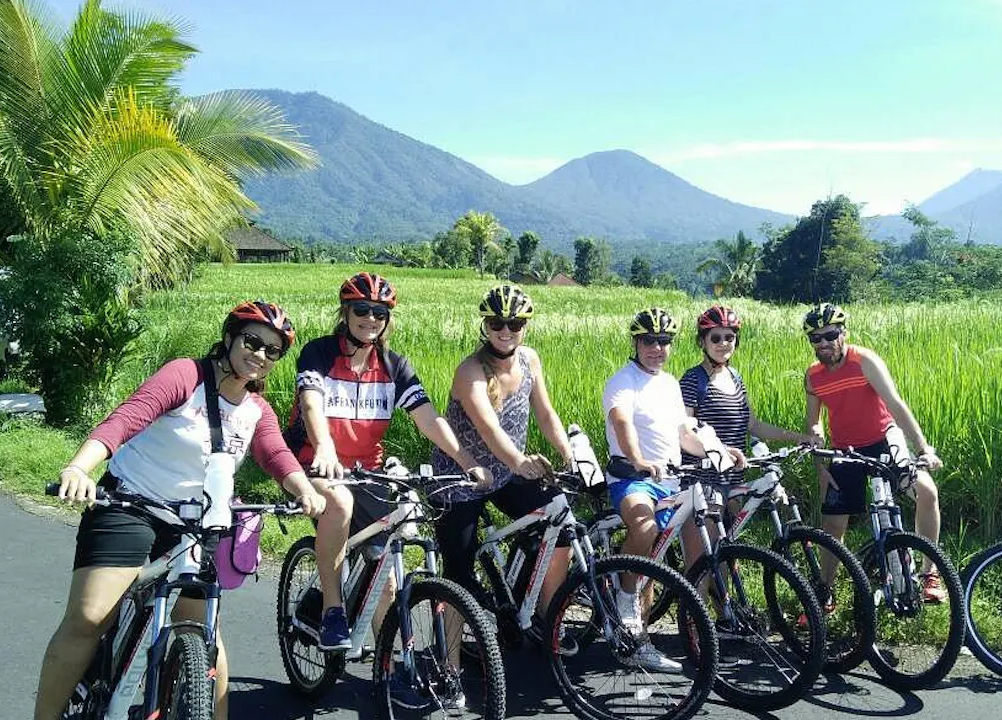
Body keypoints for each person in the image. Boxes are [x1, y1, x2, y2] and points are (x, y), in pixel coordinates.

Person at [35, 301, 328, 720]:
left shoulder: (255, 410)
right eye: (252, 341)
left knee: (206, 634)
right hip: (132, 503)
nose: (260, 355)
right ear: (229, 338)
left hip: (195, 524)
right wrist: (80, 467)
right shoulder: (185, 375)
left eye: (272, 350)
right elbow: (126, 419)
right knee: (89, 616)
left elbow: (276, 453)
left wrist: (303, 489)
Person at [284, 272, 489, 651]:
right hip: (317, 462)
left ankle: (389, 666)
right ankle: (333, 610)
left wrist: (466, 460)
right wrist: (325, 447)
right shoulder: (319, 353)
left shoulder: (394, 366)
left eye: (380, 312)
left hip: (368, 470)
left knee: (387, 575)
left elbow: (428, 418)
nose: (370, 318)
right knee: (339, 504)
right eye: (361, 309)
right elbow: (311, 402)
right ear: (345, 312)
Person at [431, 285, 576, 653]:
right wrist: (522, 462)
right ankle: (447, 664)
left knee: (559, 523)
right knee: (459, 575)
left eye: (514, 322)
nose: (505, 330)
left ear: (525, 325)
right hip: (461, 477)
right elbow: (488, 428)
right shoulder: (471, 371)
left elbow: (545, 413)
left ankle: (546, 618)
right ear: (486, 324)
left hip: (507, 472)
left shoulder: (530, 360)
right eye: (497, 322)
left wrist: (567, 453)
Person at [602, 307, 745, 671]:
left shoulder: (667, 384)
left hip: (669, 480)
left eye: (664, 341)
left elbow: (685, 431)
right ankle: (623, 593)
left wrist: (720, 452)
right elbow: (622, 422)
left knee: (656, 562)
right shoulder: (623, 381)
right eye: (649, 340)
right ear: (636, 342)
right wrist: (636, 459)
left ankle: (639, 643)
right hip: (631, 478)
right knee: (646, 530)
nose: (657, 347)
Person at [802, 302, 948, 603]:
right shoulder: (813, 376)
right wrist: (820, 464)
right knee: (832, 523)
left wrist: (923, 447)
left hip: (884, 438)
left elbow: (895, 404)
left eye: (830, 335)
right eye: (816, 338)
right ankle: (824, 593)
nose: (824, 343)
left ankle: (928, 575)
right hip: (846, 448)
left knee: (926, 492)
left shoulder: (865, 361)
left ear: (844, 333)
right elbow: (813, 423)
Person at [680, 304, 819, 471]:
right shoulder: (692, 379)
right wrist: (720, 451)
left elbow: (753, 425)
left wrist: (799, 437)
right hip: (702, 483)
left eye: (729, 338)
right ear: (703, 342)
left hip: (735, 480)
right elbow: (685, 434)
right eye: (715, 338)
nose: (723, 343)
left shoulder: (735, 377)